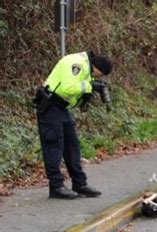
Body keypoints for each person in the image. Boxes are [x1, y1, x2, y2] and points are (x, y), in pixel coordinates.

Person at [34, 51, 113, 199]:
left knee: (72, 146)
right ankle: (56, 187)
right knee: (54, 146)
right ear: (97, 68)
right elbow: (67, 88)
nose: (97, 77)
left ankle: (80, 184)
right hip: (50, 106)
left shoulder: (86, 67)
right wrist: (90, 86)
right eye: (99, 75)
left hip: (61, 108)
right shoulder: (76, 64)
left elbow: (74, 89)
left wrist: (86, 95)